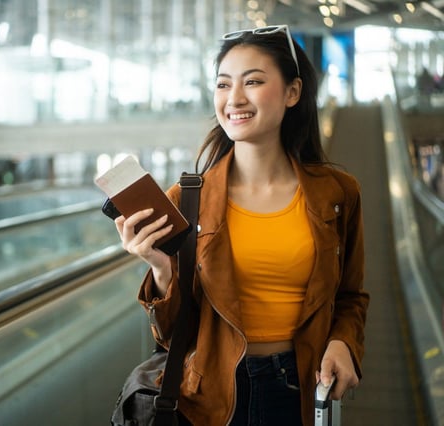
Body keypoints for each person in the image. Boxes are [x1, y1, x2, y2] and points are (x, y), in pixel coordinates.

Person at [113, 25, 369, 426]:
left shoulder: (337, 194)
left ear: (293, 93)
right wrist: (160, 270)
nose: (234, 99)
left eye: (253, 82)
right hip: (209, 398)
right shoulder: (188, 198)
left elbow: (351, 297)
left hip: (300, 390)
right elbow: (171, 337)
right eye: (223, 84)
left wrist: (343, 343)